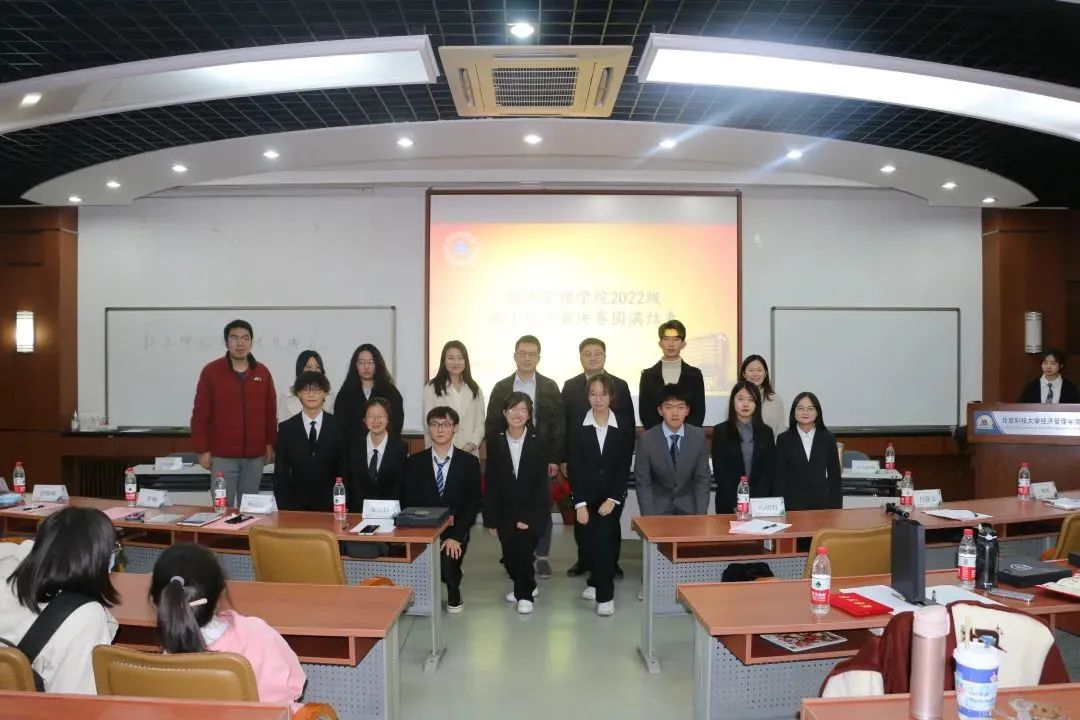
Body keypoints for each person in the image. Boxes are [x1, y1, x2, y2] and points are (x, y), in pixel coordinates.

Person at [149, 543, 305, 710]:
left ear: (156, 601)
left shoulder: (154, 664)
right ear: (221, 593)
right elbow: (292, 688)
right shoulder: (256, 633)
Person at [0, 507, 119, 694]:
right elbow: (76, 702)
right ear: (97, 557)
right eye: (113, 549)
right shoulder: (85, 616)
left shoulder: (7, 582)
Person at [485, 335, 564, 578]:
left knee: (541, 504)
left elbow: (558, 423)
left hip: (540, 456)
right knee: (509, 504)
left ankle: (542, 557)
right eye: (522, 353)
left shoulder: (549, 386)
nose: (527, 358)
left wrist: (554, 457)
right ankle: (514, 553)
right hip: (509, 453)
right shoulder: (501, 387)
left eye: (532, 354)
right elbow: (492, 423)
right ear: (515, 356)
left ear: (539, 358)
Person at [561, 337, 634, 579]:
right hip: (582, 462)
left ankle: (611, 563)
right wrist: (564, 457)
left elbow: (628, 425)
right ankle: (584, 560)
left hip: (611, 462)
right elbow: (564, 423)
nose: (593, 358)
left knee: (610, 522)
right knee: (583, 519)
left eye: (598, 353)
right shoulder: (570, 386)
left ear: (605, 356)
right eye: (587, 353)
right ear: (580, 357)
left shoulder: (620, 385)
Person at [400, 406, 482, 614]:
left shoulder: (469, 462)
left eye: (446, 424)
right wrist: (424, 534)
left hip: (455, 528)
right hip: (423, 528)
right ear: (428, 428)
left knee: (447, 561)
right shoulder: (414, 462)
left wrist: (456, 536)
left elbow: (472, 502)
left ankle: (454, 587)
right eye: (435, 424)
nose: (440, 429)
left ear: (455, 428)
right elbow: (409, 501)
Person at [191, 319, 277, 506]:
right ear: (226, 342)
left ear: (251, 342)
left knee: (250, 510)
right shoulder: (212, 372)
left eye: (245, 338)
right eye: (235, 338)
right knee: (222, 509)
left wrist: (270, 444)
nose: (240, 343)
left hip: (254, 457)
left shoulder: (262, 373)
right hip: (222, 456)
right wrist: (202, 449)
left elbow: (270, 413)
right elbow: (200, 415)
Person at [566, 374, 631, 617]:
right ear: (587, 396)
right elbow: (575, 465)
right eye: (593, 394)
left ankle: (605, 596)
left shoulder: (623, 424)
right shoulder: (578, 424)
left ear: (611, 396)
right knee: (588, 541)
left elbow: (624, 465)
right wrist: (580, 503)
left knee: (604, 539)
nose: (598, 399)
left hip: (611, 496)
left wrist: (613, 499)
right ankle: (595, 580)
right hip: (586, 494)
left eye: (603, 394)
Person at [483, 393, 551, 614]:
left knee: (522, 553)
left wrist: (527, 518)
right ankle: (527, 584)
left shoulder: (539, 440)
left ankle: (525, 595)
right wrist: (491, 519)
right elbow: (491, 481)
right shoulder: (496, 440)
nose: (517, 414)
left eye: (523, 409)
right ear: (504, 413)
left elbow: (540, 485)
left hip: (531, 510)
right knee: (510, 558)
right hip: (505, 512)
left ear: (529, 414)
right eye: (513, 409)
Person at [273, 371, 346, 511]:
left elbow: (345, 469)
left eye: (317, 390)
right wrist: (284, 507)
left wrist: (342, 503)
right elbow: (281, 473)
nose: (311, 395)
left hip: (331, 505)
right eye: (306, 390)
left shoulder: (338, 427)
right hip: (295, 507)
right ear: (298, 394)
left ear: (325, 393)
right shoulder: (286, 428)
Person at [634, 384, 712, 516]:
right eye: (669, 407)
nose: (675, 413)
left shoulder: (698, 437)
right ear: (660, 410)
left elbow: (702, 479)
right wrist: (649, 518)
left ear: (687, 410)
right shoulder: (647, 440)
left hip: (690, 509)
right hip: (657, 510)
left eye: (680, 407)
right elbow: (643, 482)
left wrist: (701, 515)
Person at [711, 380, 777, 514]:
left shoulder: (766, 432)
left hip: (759, 504)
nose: (745, 404)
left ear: (756, 404)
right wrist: (736, 503)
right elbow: (720, 471)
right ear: (733, 402)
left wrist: (756, 503)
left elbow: (768, 471)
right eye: (740, 399)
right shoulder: (721, 431)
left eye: (750, 400)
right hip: (728, 504)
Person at [775, 392, 843, 511]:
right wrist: (778, 507)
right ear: (794, 412)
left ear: (817, 412)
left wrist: (835, 508)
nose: (805, 412)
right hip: (792, 506)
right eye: (800, 408)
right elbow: (779, 477)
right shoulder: (784, 439)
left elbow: (835, 476)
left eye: (810, 409)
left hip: (821, 505)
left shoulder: (828, 438)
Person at [422, 340, 486, 456]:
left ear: (465, 361)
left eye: (460, 358)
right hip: (441, 452)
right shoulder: (431, 388)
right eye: (451, 358)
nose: (456, 362)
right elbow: (428, 422)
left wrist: (470, 446)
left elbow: (480, 423)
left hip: (469, 453)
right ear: (444, 361)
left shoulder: (474, 389)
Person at [639, 320, 706, 429]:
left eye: (676, 339)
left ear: (683, 344)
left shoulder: (695, 375)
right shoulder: (648, 376)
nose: (671, 344)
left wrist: (685, 434)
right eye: (666, 339)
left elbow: (698, 411)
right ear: (660, 343)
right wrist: (660, 434)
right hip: (656, 436)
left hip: (688, 436)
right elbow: (645, 412)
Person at [343, 397, 408, 506]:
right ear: (364, 420)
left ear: (388, 419)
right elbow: (348, 482)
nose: (376, 421)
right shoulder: (353, 447)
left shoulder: (400, 447)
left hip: (389, 510)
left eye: (380, 416)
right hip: (358, 511)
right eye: (371, 416)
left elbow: (401, 486)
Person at [336, 344, 405, 438]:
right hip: (352, 446)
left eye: (371, 362)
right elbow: (340, 426)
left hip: (384, 445)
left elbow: (397, 423)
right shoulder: (345, 394)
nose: (366, 366)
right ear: (355, 365)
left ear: (378, 364)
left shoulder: (391, 392)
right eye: (361, 362)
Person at [277, 350, 336, 421]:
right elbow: (282, 423)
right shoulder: (287, 396)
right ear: (300, 370)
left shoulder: (329, 396)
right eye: (309, 367)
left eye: (317, 367)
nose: (313, 371)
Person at [740, 354, 786, 436]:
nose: (755, 374)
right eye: (751, 370)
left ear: (765, 373)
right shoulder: (737, 398)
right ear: (744, 374)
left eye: (759, 370)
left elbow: (780, 431)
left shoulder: (775, 399)